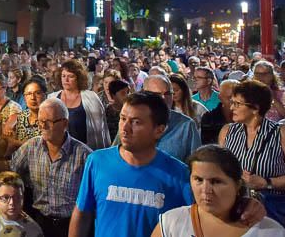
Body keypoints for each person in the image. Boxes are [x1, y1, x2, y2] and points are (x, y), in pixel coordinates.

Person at [70, 92, 195, 237]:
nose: (125, 128)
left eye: (136, 122)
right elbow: (82, 214)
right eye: (123, 119)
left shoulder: (179, 175)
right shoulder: (97, 162)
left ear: (159, 130)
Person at [0, 98, 92, 237]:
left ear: (65, 123)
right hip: (39, 222)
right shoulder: (32, 146)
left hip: (70, 225)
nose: (42, 126)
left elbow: (93, 199)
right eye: (40, 121)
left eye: (48, 122)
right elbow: (10, 167)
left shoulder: (84, 155)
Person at [152, 145, 285, 237]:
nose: (206, 190)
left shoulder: (270, 231)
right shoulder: (172, 223)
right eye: (198, 179)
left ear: (237, 184)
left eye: (216, 182)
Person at [219, 80, 285, 194]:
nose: (231, 108)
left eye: (237, 104)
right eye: (232, 102)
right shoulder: (227, 132)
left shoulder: (282, 133)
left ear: (255, 108)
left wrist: (267, 183)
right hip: (235, 205)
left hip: (269, 207)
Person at [49, 59, 110, 150]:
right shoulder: (52, 98)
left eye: (71, 76)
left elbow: (100, 130)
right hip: (58, 150)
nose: (66, 79)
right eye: (63, 76)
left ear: (79, 78)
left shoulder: (91, 98)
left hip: (85, 150)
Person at [201, 79, 237, 144]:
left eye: (237, 98)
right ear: (220, 97)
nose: (233, 102)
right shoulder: (209, 118)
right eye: (229, 98)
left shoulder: (246, 116)